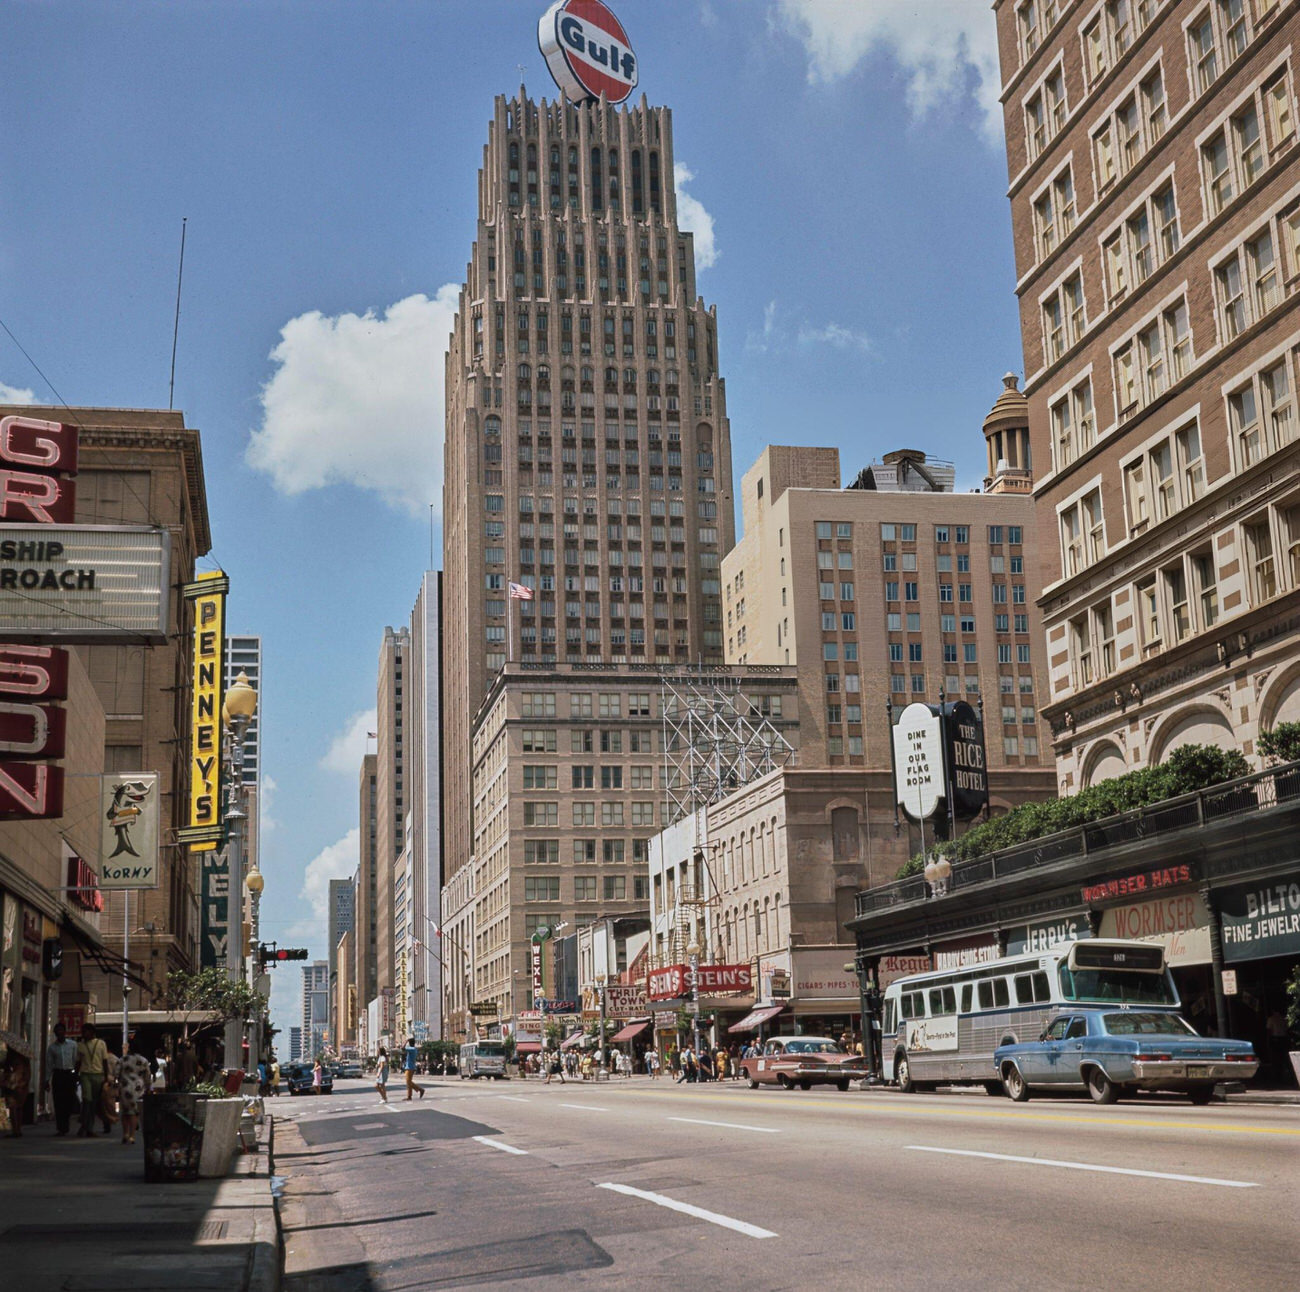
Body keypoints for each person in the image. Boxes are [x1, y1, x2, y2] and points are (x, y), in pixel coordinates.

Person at [44, 1023, 79, 1136]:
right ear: (55, 1034)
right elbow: (49, 1064)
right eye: (57, 1031)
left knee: (69, 1100)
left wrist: (75, 1074)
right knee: (58, 1101)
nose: (60, 1033)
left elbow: (75, 1060)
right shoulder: (52, 1048)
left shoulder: (73, 1045)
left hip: (69, 1074)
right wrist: (47, 1080)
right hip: (58, 1074)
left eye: (61, 1030)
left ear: (65, 1032)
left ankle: (66, 1123)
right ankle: (61, 1127)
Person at [75, 1024, 109, 1137]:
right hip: (85, 1075)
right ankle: (86, 1126)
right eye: (83, 1031)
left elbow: (105, 1061)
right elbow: (78, 1062)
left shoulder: (101, 1044)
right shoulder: (80, 1045)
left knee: (93, 1102)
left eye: (86, 1031)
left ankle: (86, 1127)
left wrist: (106, 1076)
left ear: (92, 1032)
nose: (83, 1034)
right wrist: (76, 1074)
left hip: (98, 1075)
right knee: (87, 1099)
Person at [117, 1037, 151, 1147]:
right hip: (138, 1089)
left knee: (125, 1112)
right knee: (134, 1112)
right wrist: (148, 1087)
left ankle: (125, 1133)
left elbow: (115, 1072)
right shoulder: (144, 1061)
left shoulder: (123, 1059)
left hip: (124, 1088)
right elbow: (147, 1076)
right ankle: (132, 1135)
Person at [1, 1046, 32, 1138]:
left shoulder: (11, 1060)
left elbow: (7, 1070)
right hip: (22, 1086)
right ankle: (18, 1129)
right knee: (19, 1108)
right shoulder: (25, 1059)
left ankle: (15, 1130)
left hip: (13, 1085)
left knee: (13, 1107)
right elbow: (27, 1074)